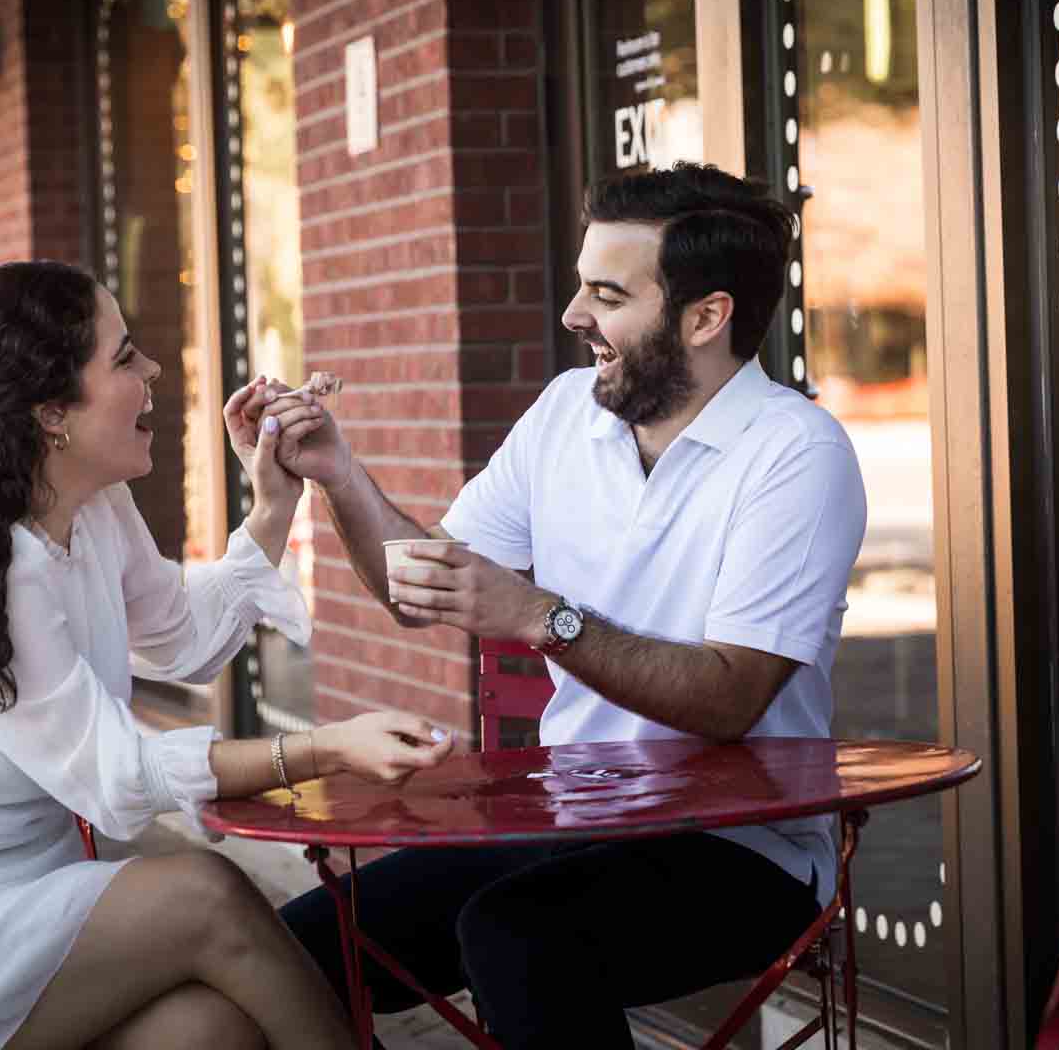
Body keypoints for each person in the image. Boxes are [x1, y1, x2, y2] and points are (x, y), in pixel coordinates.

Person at [268, 163, 868, 1048]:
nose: (573, 316)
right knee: (292, 948)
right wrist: (339, 474)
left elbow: (730, 698)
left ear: (705, 317)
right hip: (572, 816)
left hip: (744, 847)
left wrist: (539, 616)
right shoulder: (565, 413)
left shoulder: (796, 453)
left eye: (607, 294)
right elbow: (418, 587)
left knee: (516, 937)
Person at [0, 261, 453, 1050]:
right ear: (50, 412)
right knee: (203, 894)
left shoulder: (94, 506)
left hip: (27, 920)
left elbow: (183, 636)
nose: (153, 372)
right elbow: (119, 773)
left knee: (213, 1032)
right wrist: (324, 749)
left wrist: (273, 500)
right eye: (124, 356)